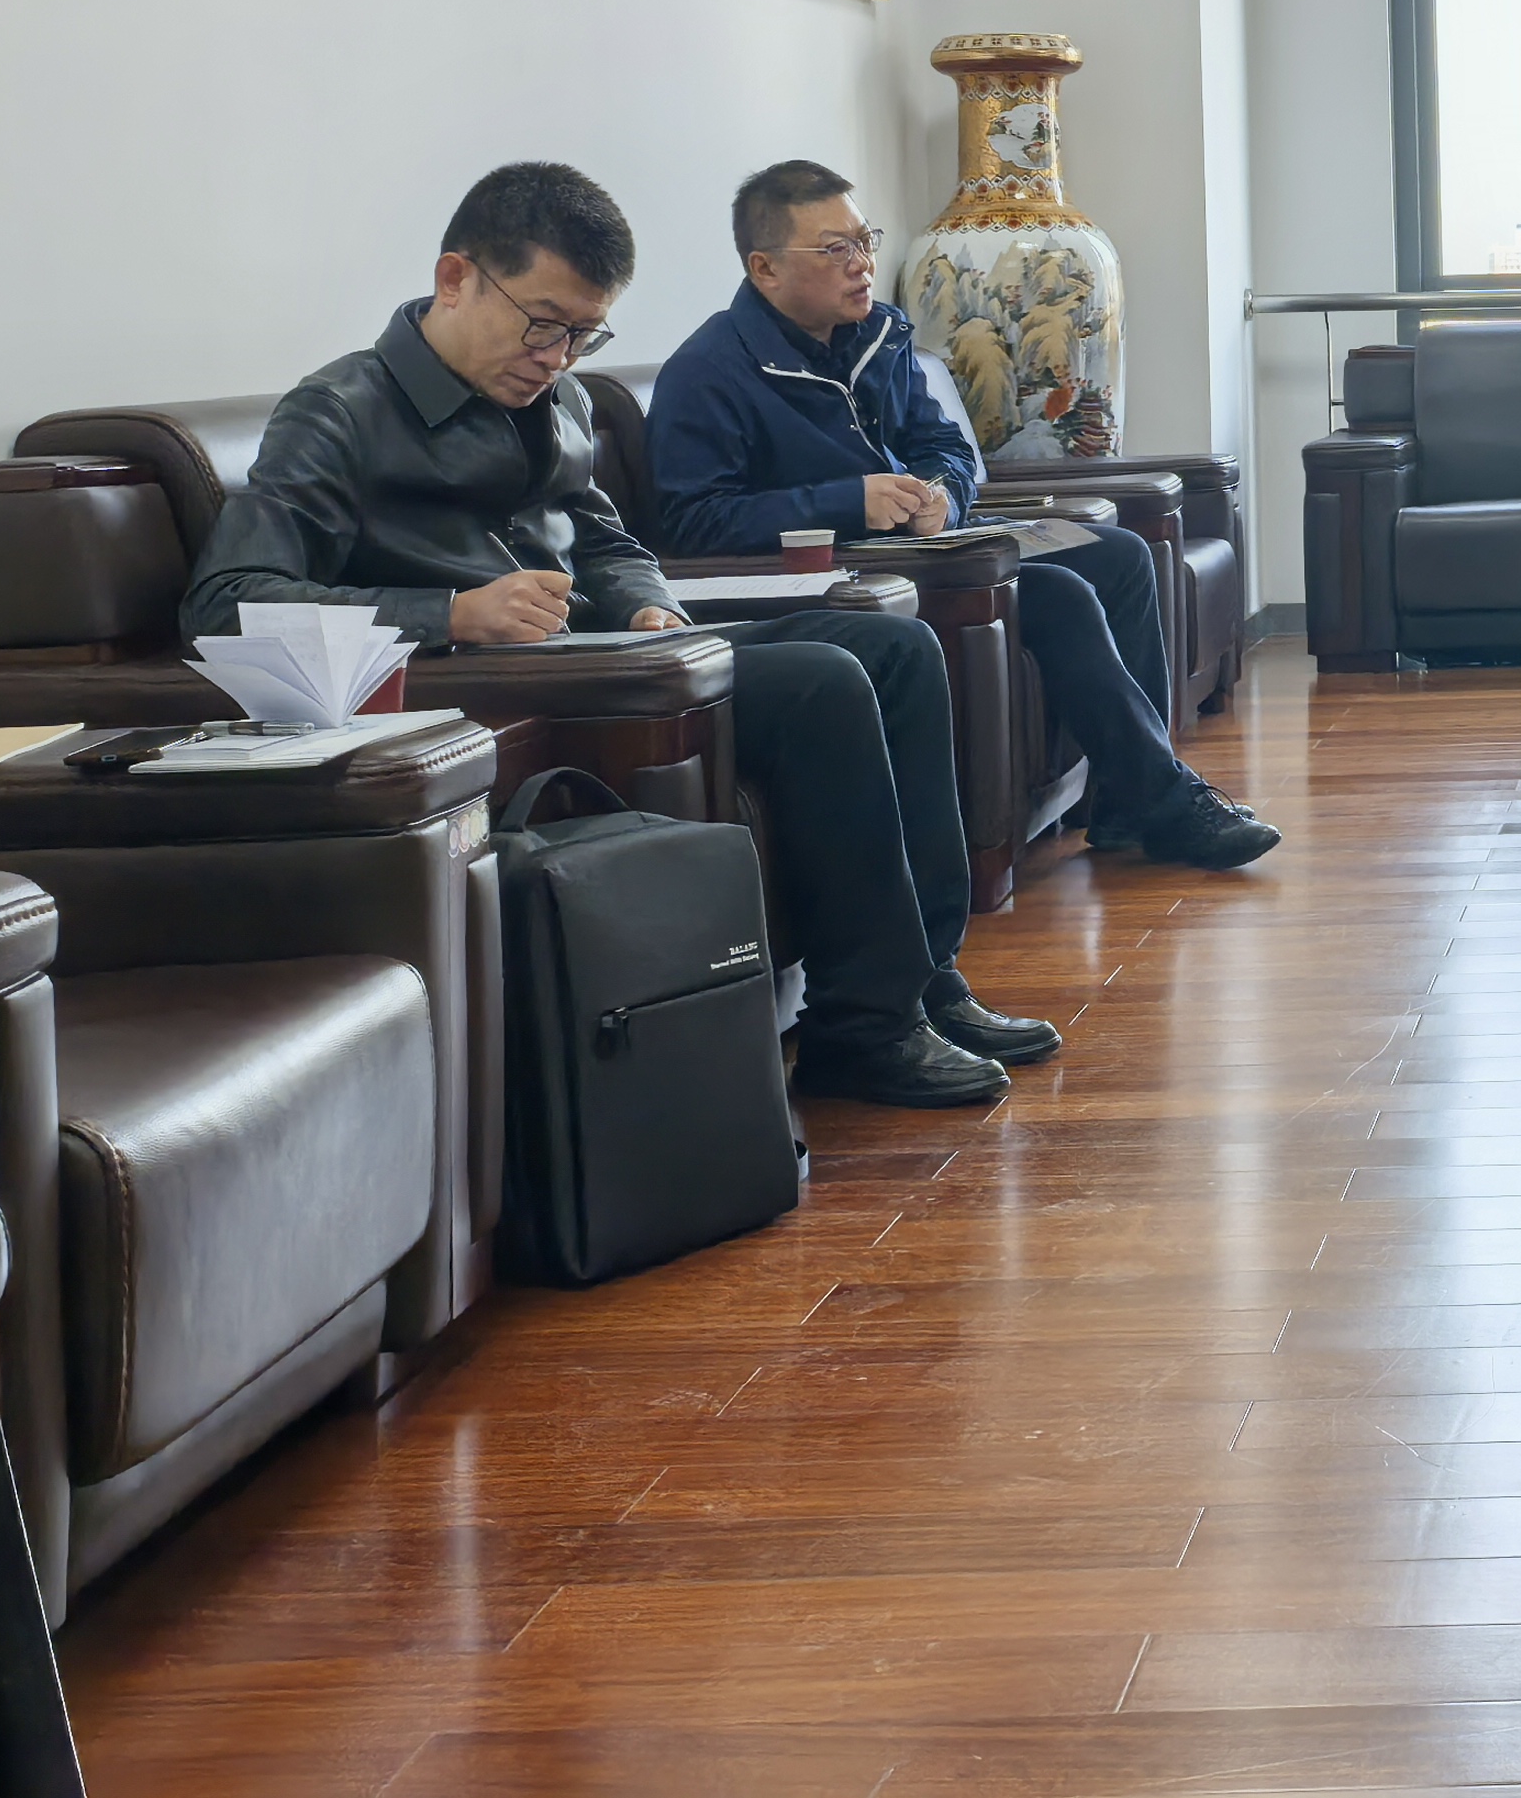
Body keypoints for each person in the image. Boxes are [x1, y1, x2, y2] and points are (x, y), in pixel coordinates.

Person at [188, 162, 1051, 1110]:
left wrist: (649, 606)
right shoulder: (339, 412)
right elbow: (228, 599)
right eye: (542, 323)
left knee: (898, 646)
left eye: (582, 334)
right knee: (823, 681)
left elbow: (606, 542)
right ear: (455, 279)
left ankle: (924, 978)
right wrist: (450, 612)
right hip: (490, 694)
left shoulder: (557, 401)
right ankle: (865, 1028)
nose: (556, 356)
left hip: (611, 659)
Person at [641, 161, 1276, 872]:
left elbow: (942, 444)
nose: (862, 264)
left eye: (865, 240)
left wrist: (944, 491)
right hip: (843, 574)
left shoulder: (878, 334)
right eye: (835, 249)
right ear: (765, 268)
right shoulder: (709, 371)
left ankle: (1127, 805)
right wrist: (849, 501)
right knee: (1059, 595)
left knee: (1119, 555)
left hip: (929, 545)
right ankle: (1164, 802)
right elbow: (693, 523)